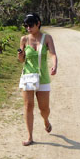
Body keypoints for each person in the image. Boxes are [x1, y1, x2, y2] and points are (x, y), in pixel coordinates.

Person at [17, 13, 58, 146]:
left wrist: (54, 65)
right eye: (26, 25)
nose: (28, 28)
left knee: (44, 108)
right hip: (28, 77)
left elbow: (52, 54)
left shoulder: (47, 38)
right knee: (28, 106)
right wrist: (20, 55)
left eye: (31, 25)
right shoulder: (24, 39)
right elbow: (21, 60)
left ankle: (46, 120)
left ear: (38, 23)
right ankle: (30, 136)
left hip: (43, 77)